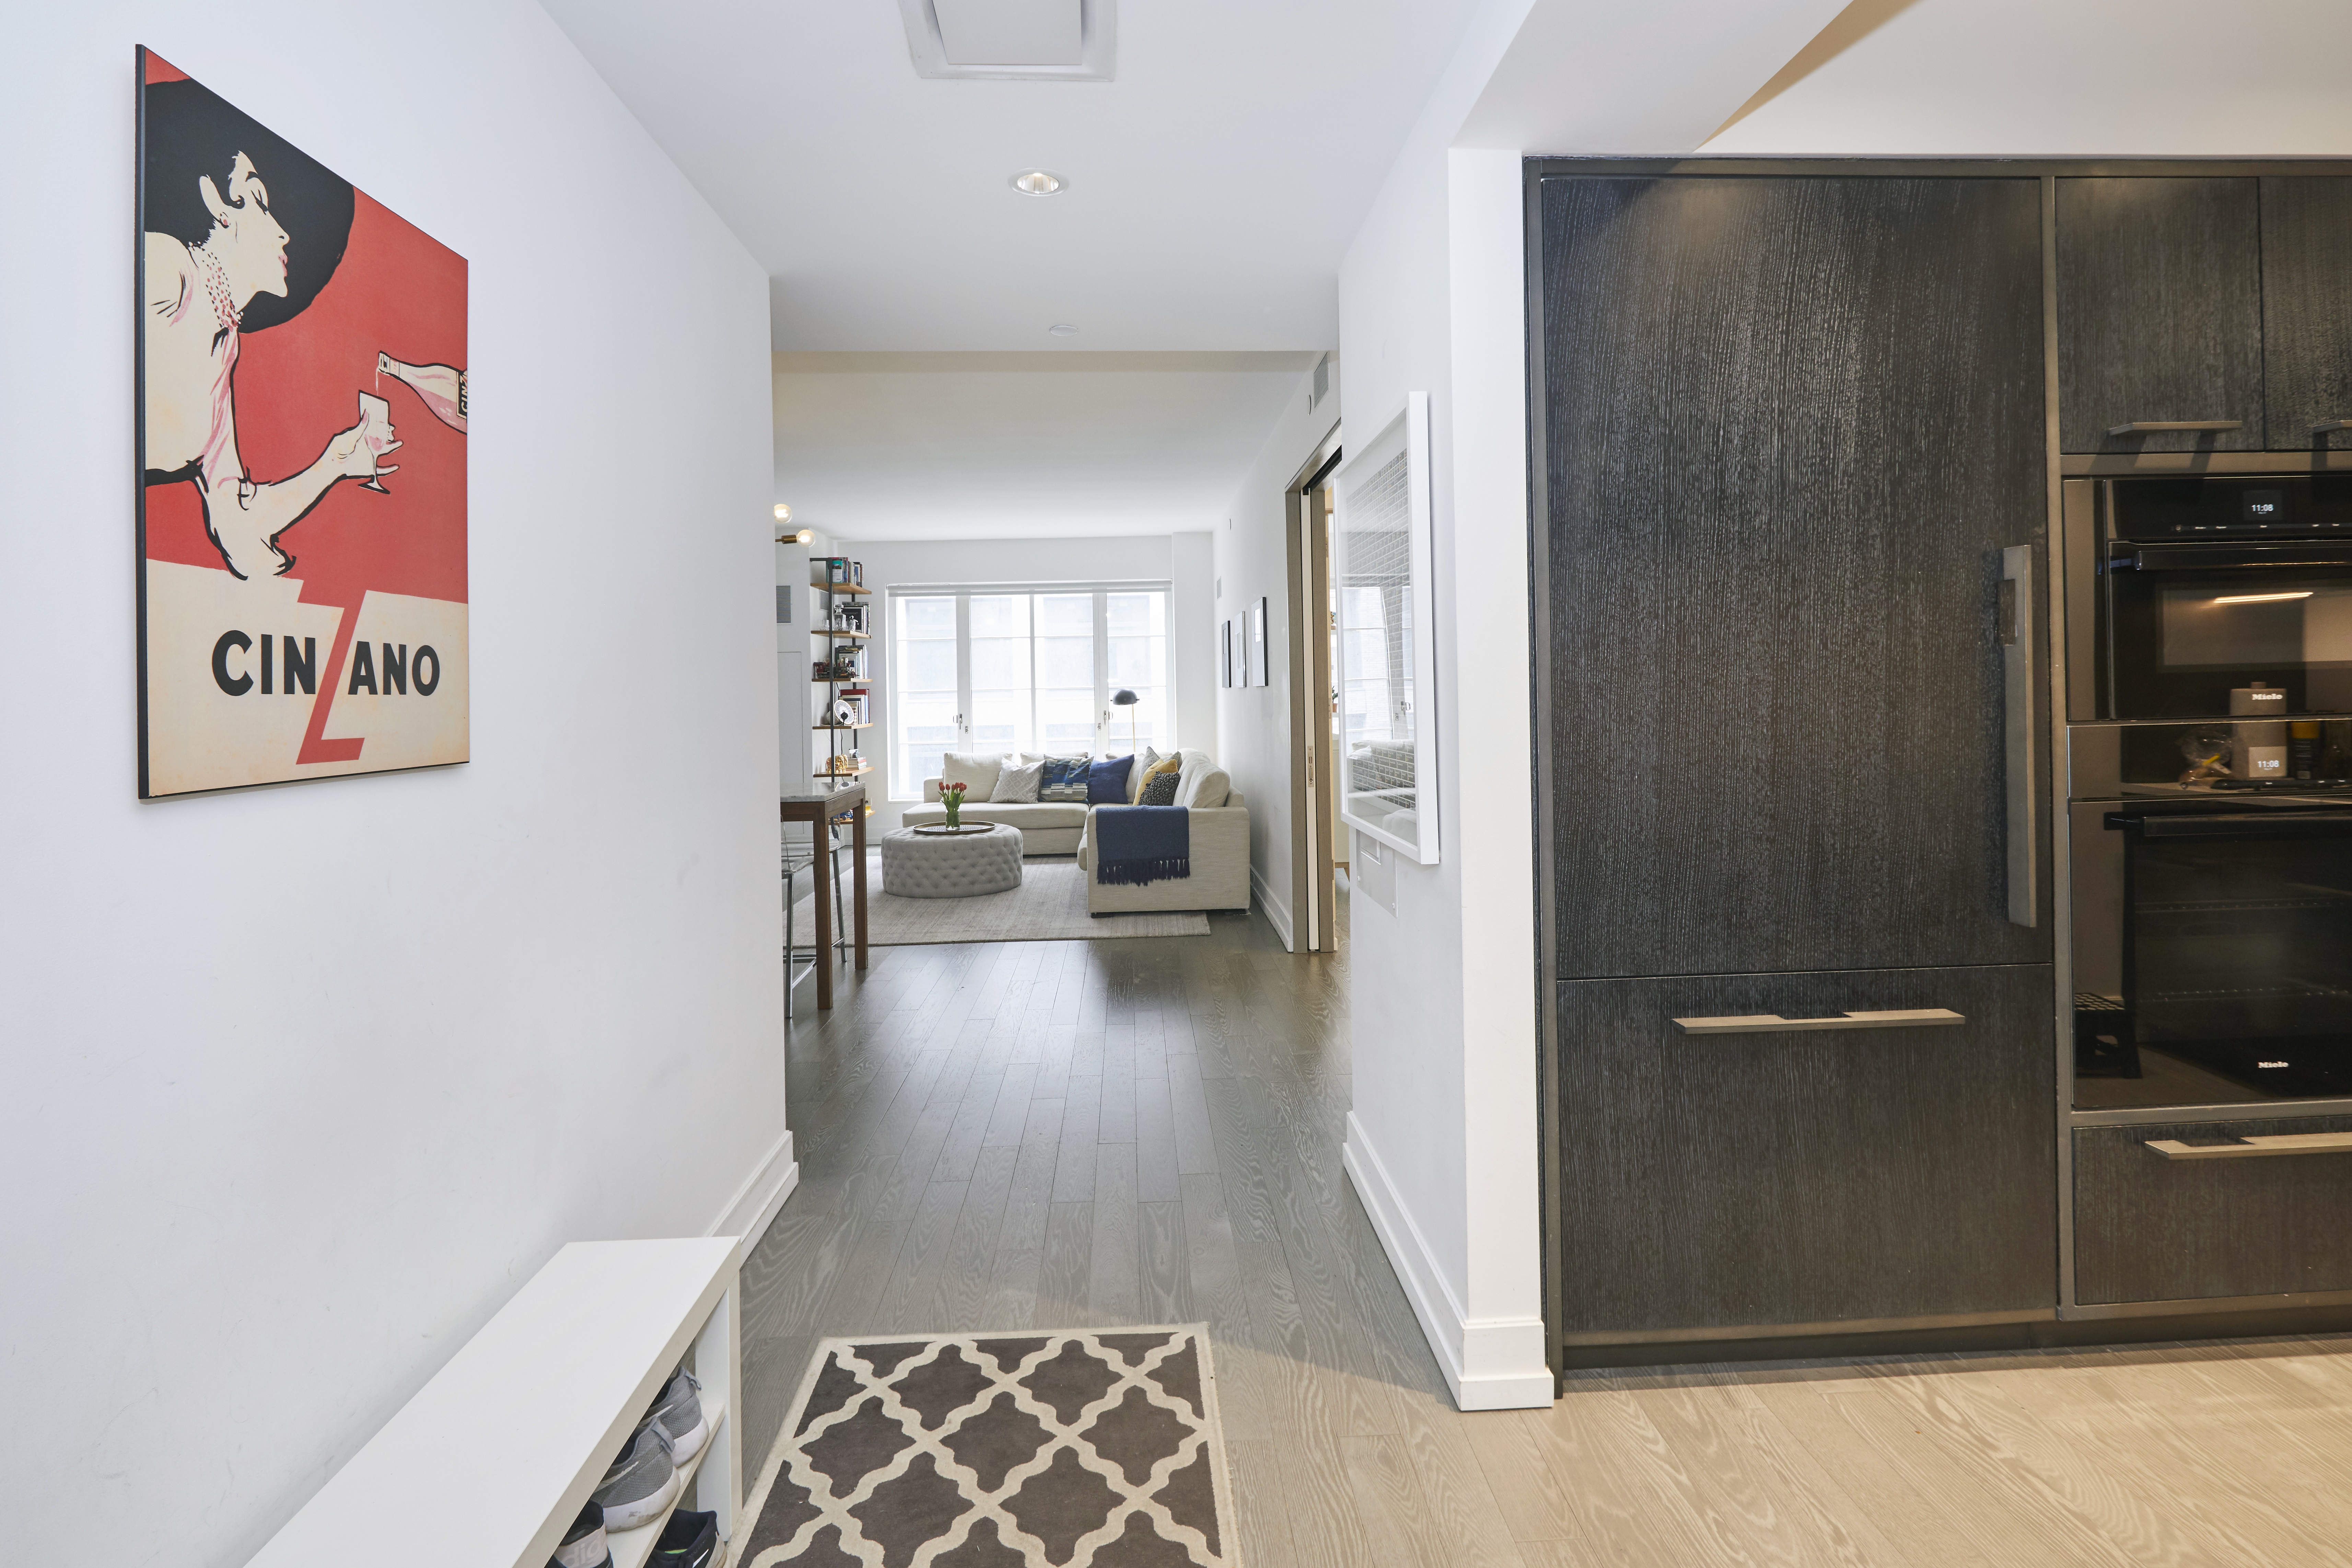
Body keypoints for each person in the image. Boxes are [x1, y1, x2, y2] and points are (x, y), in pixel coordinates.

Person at [142, 83, 389, 580]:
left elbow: (237, 522)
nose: (284, 232)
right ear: (217, 201)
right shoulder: (166, 266)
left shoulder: (223, 348)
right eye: (258, 198)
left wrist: (335, 464)